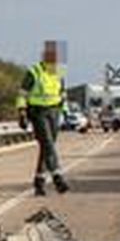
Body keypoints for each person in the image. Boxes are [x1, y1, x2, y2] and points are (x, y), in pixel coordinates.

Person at [17, 46, 69, 196]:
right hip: (38, 112)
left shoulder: (59, 73)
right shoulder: (34, 72)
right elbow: (22, 94)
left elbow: (63, 93)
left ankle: (39, 182)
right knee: (48, 143)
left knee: (47, 148)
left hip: (55, 112)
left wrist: (65, 112)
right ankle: (58, 177)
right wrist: (22, 112)